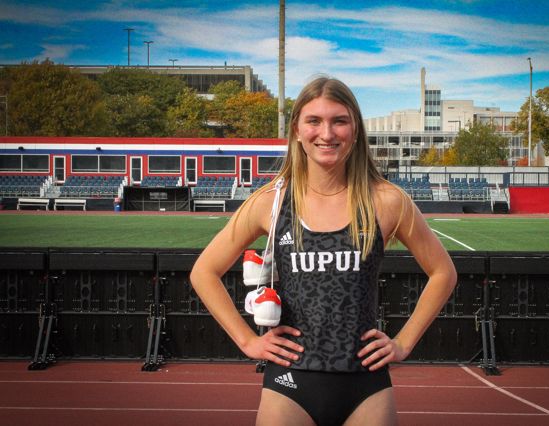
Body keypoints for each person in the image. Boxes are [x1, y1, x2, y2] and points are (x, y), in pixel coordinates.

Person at [190, 76, 457, 426]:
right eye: (314, 121)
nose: (326, 134)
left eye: (339, 121)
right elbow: (203, 272)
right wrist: (247, 341)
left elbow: (443, 272)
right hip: (289, 384)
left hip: (366, 385)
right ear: (297, 130)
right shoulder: (271, 202)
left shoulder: (386, 201)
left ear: (355, 129)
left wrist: (403, 343)